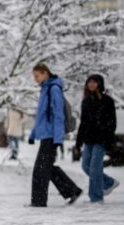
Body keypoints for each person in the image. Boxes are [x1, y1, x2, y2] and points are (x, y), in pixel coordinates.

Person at [29, 62, 82, 207]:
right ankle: (72, 191)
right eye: (34, 76)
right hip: (46, 135)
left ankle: (38, 202)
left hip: (52, 136)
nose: (35, 79)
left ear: (45, 73)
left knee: (40, 170)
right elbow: (41, 116)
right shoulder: (45, 89)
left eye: (37, 76)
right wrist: (33, 134)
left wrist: (58, 138)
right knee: (46, 167)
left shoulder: (54, 89)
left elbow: (58, 115)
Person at [73, 74, 119, 203]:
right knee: (85, 166)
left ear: (100, 84)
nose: (92, 84)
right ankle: (109, 182)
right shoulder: (86, 101)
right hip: (89, 139)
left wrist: (108, 138)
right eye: (89, 82)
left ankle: (96, 197)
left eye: (95, 82)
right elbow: (83, 123)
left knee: (94, 168)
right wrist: (78, 142)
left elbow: (112, 122)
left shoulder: (107, 101)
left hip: (101, 140)